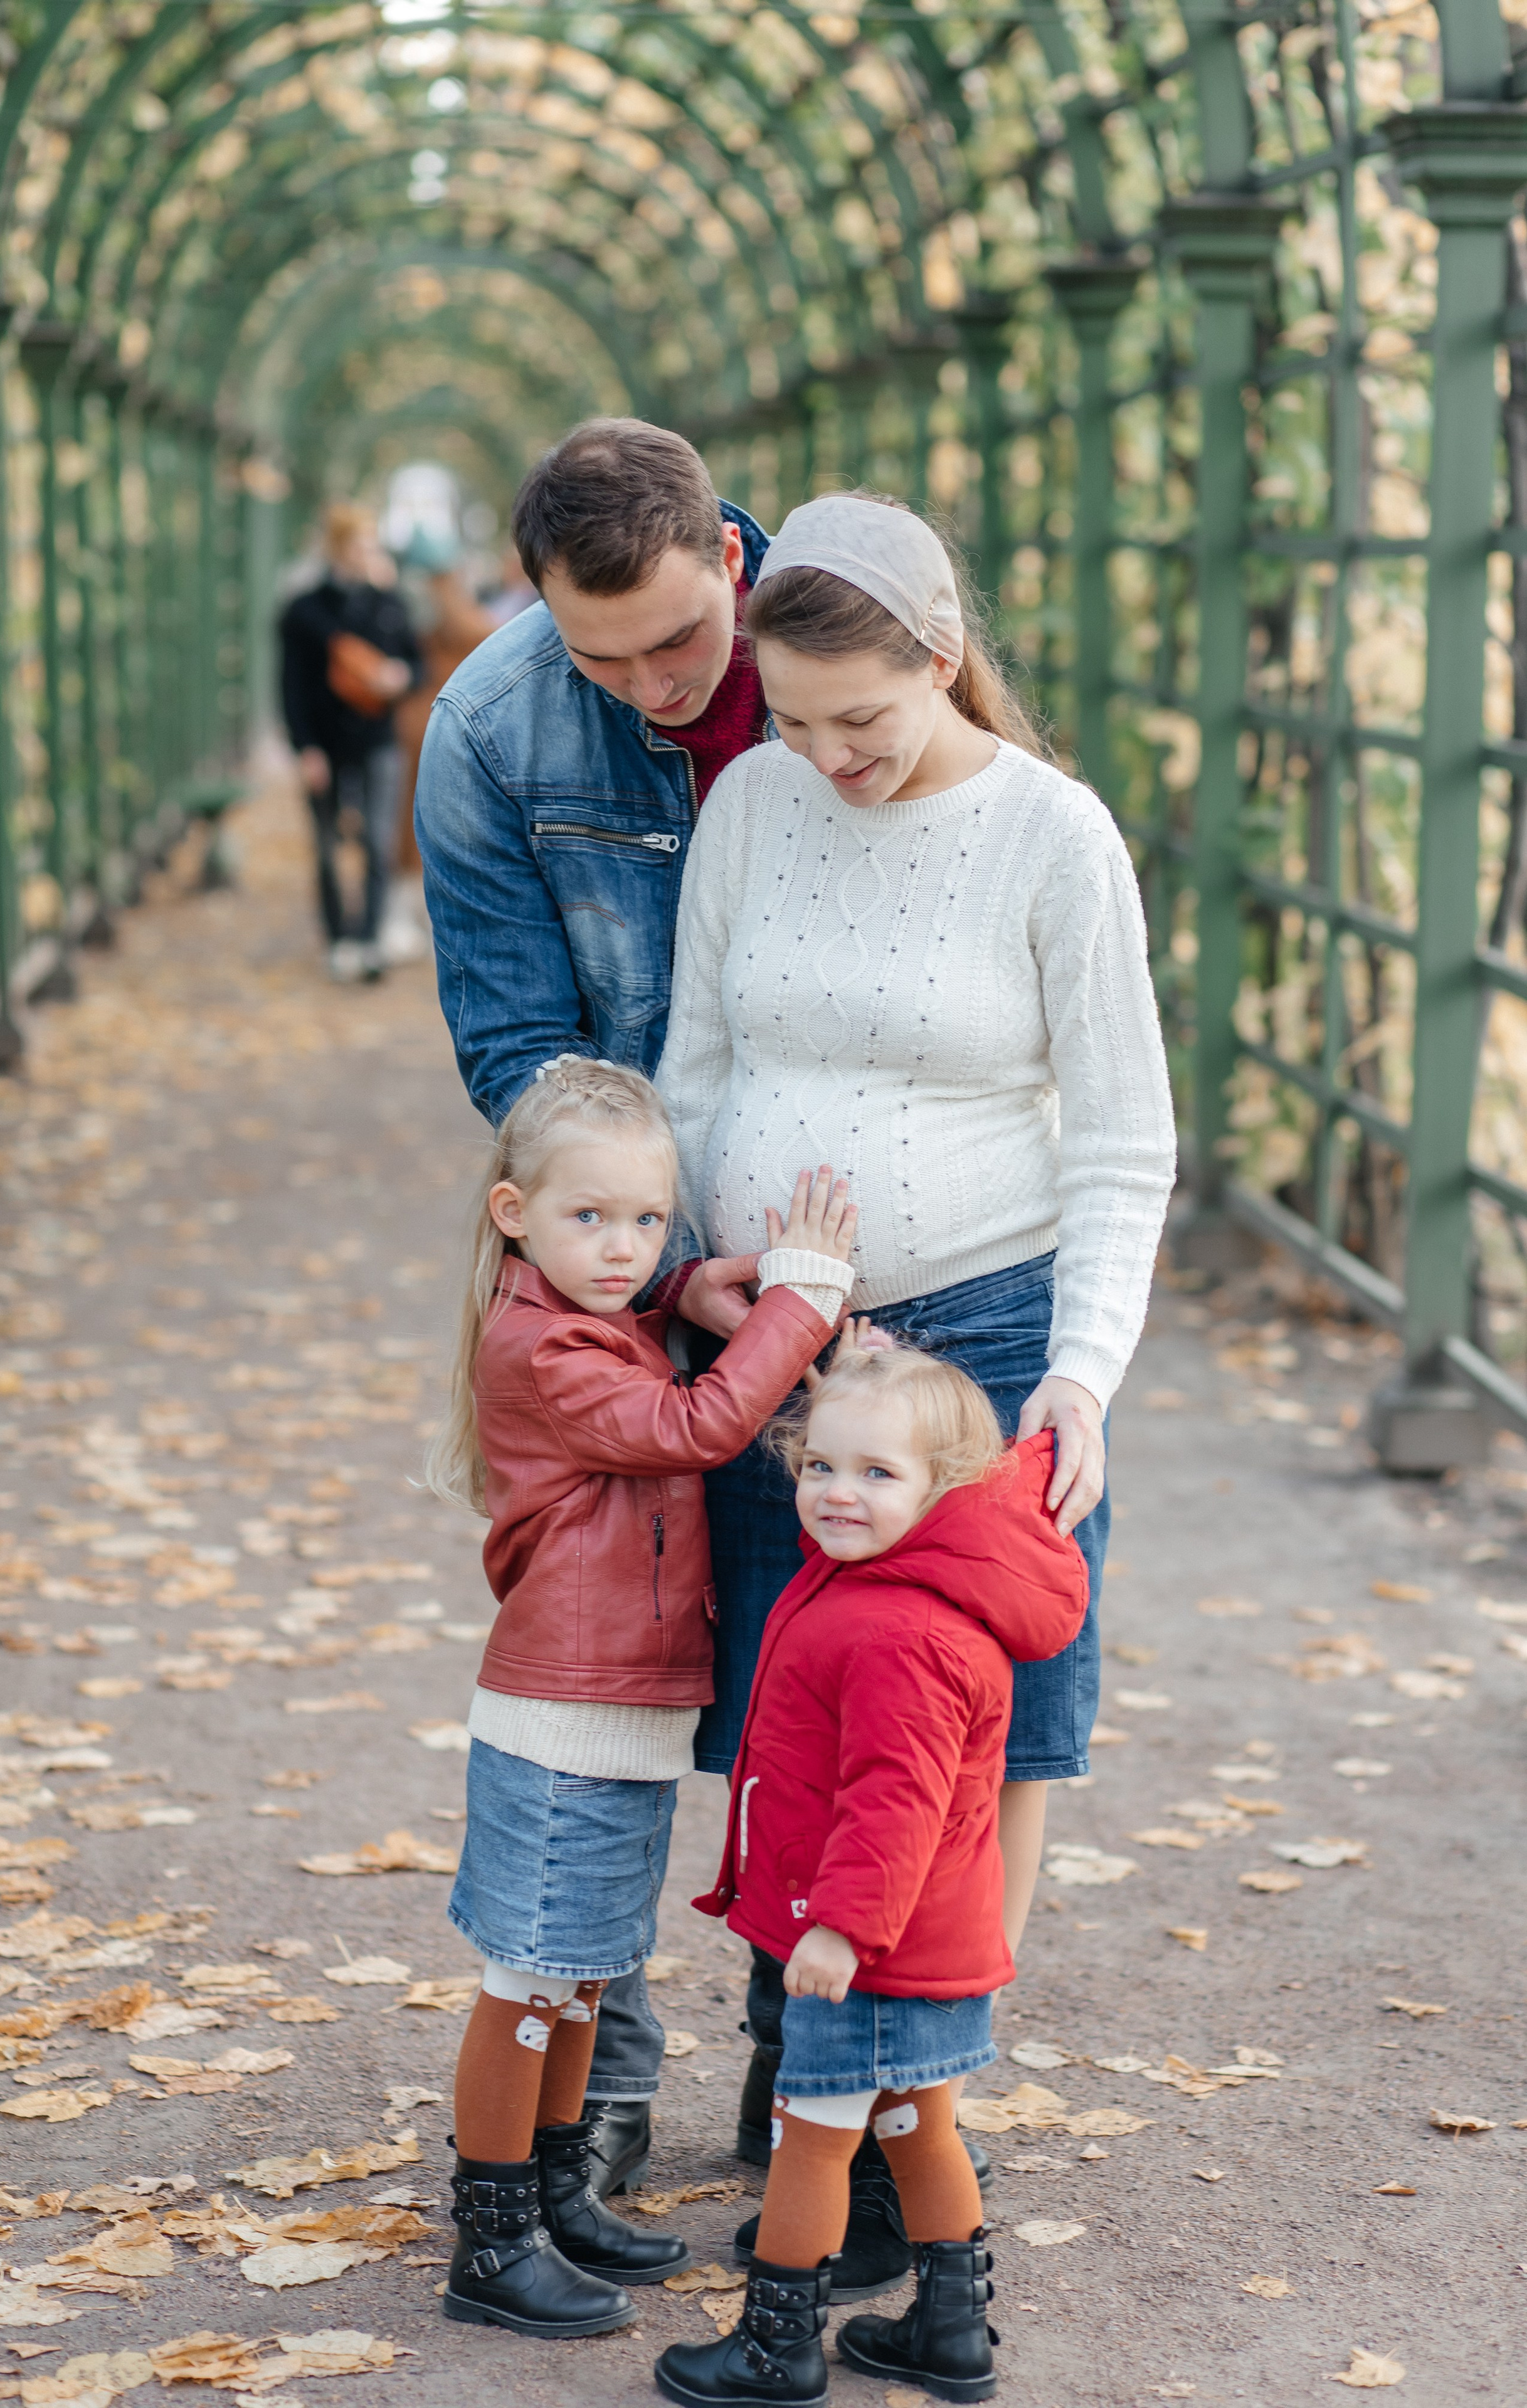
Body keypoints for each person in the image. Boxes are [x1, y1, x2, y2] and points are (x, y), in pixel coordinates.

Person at [655, 490, 1178, 2275]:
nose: (826, 757)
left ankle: (914, 2104)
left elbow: (1121, 1141)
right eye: (791, 720)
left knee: (979, 1733)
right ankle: (798, 2053)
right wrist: (699, 1267)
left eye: (858, 719)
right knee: (783, 1694)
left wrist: (1086, 1380)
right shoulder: (749, 801)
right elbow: (701, 1058)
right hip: (781, 1347)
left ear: (941, 662)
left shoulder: (1053, 836)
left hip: (986, 1345)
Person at [414, 418, 786, 2188]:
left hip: (829, 1246)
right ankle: (599, 2070)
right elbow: (515, 1044)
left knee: (821, 1664)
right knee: (608, 1662)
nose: (646, 685)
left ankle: (818, 2063)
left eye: (678, 644)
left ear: (732, 557)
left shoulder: (850, 659)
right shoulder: (493, 724)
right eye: (598, 653)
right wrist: (655, 1253)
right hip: (630, 1269)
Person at [428, 1057, 857, 2342]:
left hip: (619, 1703)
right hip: (562, 1709)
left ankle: (557, 2190)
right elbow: (692, 1427)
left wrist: (681, 1285)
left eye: (645, 1223)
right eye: (586, 1219)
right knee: (529, 1978)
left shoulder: (595, 1311)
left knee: (585, 1976)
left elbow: (630, 1314)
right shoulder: (537, 1344)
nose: (619, 1249)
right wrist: (799, 1299)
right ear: (514, 1215)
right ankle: (491, 2234)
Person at [653, 1339, 1089, 2407]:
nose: (838, 1494)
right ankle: (950, 2331)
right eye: (821, 1467)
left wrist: (842, 1928)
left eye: (878, 1474)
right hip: (931, 1941)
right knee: (915, 2123)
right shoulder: (882, 1580)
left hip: (876, 1950)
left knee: (813, 2139)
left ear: (946, 1491)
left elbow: (898, 1800)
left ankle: (778, 2343)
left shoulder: (902, 1627)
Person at [278, 502, 422, 983]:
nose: (370, 553)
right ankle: (339, 936)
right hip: (325, 740)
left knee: (378, 841)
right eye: (362, 544)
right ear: (339, 548)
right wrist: (305, 749)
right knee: (326, 846)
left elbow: (414, 664)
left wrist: (399, 676)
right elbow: (291, 685)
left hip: (377, 736)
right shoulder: (304, 611)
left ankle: (368, 938)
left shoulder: (386, 603)